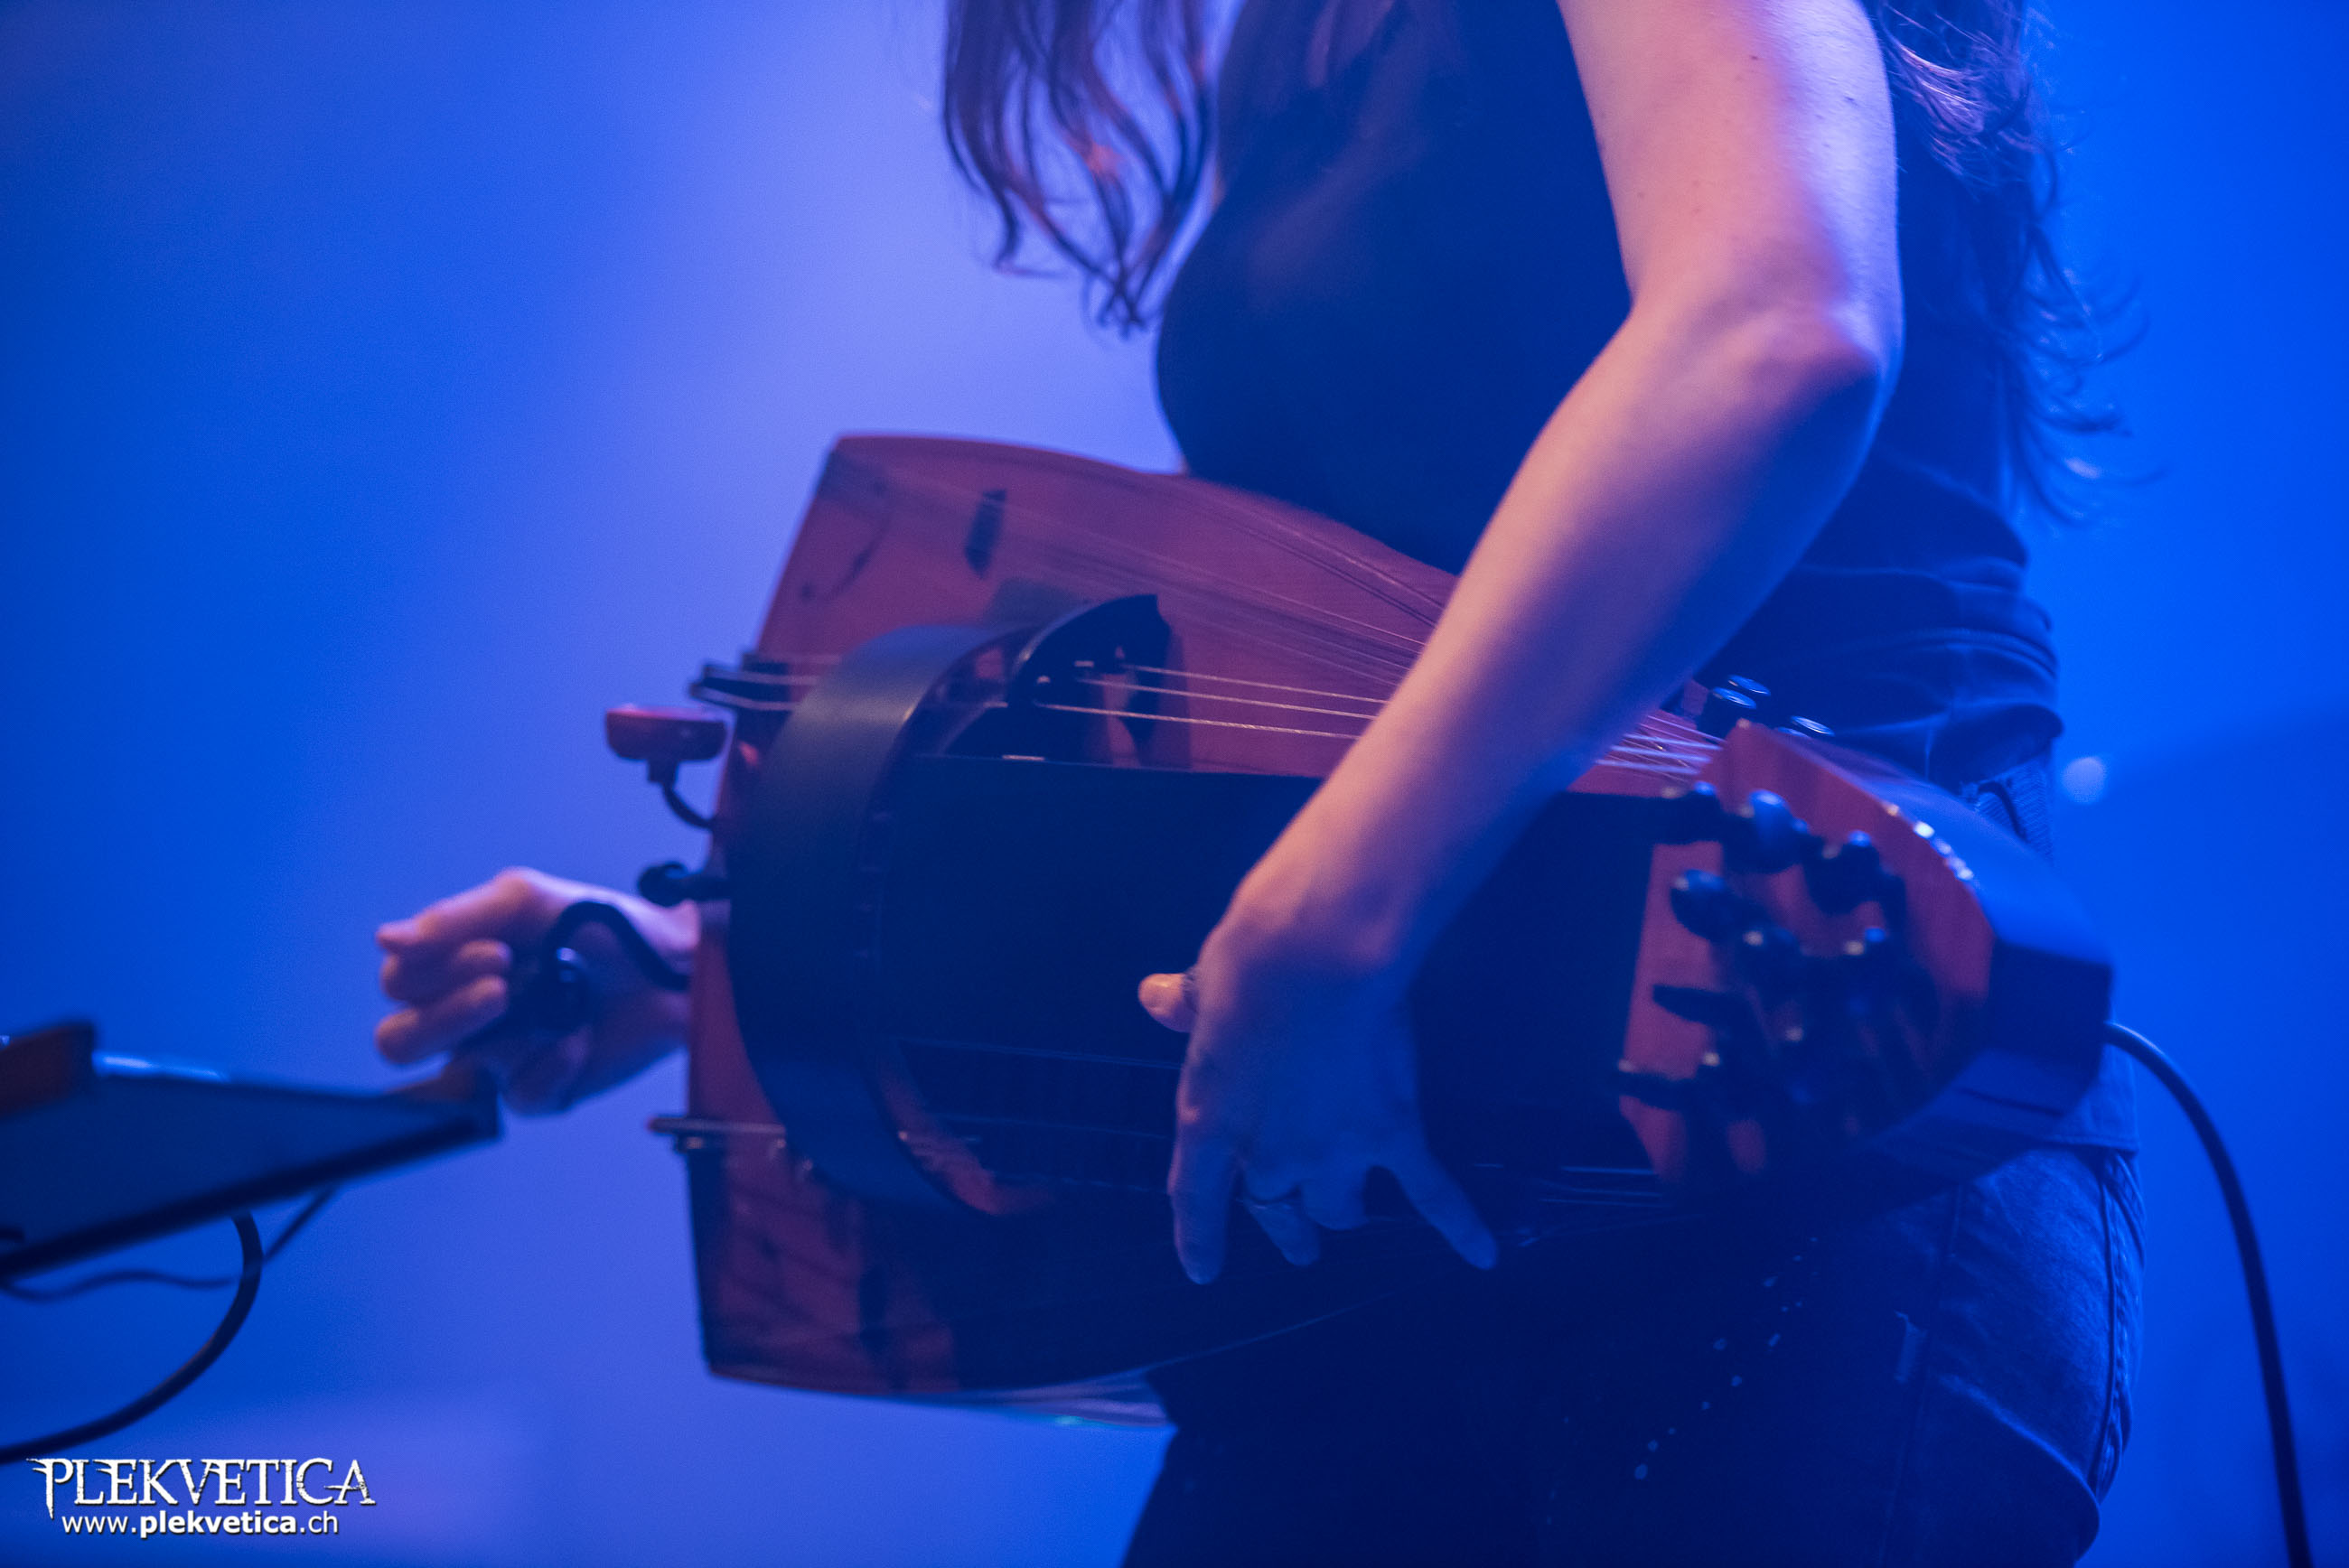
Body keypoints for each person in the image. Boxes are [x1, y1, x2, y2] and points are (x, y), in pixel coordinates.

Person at [374, 0, 2142, 1562]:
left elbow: (1777, 330)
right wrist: (736, 960)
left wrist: (1335, 904)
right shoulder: (1300, 37)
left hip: (1797, 1107)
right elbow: (1281, 707)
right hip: (1392, 1199)